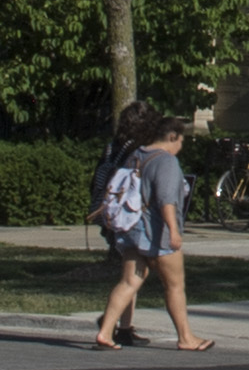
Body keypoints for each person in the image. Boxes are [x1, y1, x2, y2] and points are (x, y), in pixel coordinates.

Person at [90, 104, 213, 351]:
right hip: (157, 233)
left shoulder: (136, 155)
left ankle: (106, 332)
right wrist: (174, 232)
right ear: (172, 137)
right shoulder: (166, 162)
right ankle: (186, 338)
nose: (181, 146)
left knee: (129, 281)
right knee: (175, 285)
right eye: (180, 141)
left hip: (133, 230)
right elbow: (166, 200)